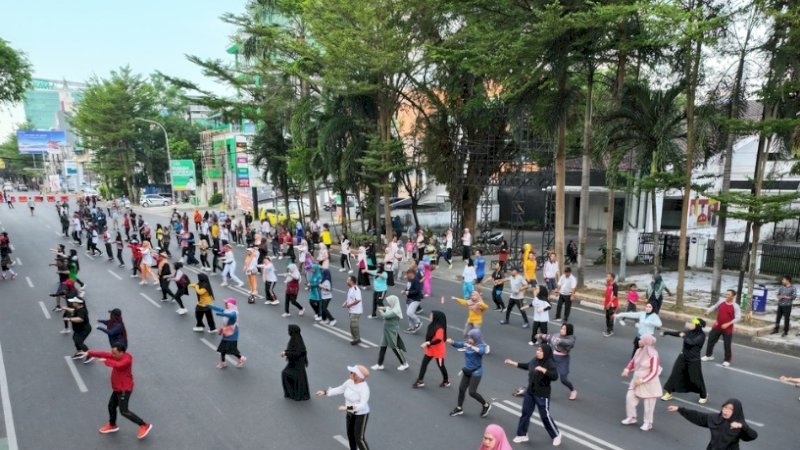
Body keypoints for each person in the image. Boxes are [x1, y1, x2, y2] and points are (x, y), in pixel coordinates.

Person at [83, 343, 153, 440]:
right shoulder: (117, 355)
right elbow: (105, 354)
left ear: (121, 352)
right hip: (117, 388)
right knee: (111, 406)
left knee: (124, 411)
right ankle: (112, 425)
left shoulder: (127, 359)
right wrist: (89, 353)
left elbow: (119, 365)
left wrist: (106, 361)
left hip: (124, 389)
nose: (113, 355)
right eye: (112, 353)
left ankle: (144, 425)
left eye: (115, 353)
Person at [504, 345, 562, 446]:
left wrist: (543, 370)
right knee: (525, 413)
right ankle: (522, 435)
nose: (538, 352)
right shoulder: (534, 360)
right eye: (537, 350)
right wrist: (512, 363)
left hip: (542, 394)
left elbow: (555, 376)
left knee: (545, 416)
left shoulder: (549, 363)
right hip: (530, 392)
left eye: (540, 350)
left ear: (546, 352)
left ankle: (557, 435)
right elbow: (527, 366)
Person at [315, 365, 371, 450]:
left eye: (352, 372)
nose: (350, 373)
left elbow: (362, 405)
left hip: (361, 414)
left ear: (359, 376)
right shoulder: (349, 382)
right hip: (350, 413)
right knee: (350, 435)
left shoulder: (364, 388)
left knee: (359, 438)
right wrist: (325, 392)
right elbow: (340, 389)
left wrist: (347, 408)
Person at [666, 399, 758, 449]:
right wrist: (679, 409)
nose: (726, 410)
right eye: (725, 407)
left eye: (731, 409)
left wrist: (742, 427)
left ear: (736, 411)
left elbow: (752, 436)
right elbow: (698, 416)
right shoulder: (715, 419)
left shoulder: (739, 424)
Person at [620, 334, 662, 431]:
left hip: (649, 383)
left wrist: (643, 380)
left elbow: (654, 371)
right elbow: (633, 361)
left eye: (641, 340)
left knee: (649, 405)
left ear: (646, 342)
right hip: (636, 379)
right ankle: (632, 417)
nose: (639, 341)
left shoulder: (653, 355)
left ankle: (648, 423)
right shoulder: (639, 351)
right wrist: (627, 369)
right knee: (630, 397)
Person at [661, 318, 708, 404]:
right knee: (674, 374)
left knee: (696, 379)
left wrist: (683, 336)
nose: (689, 325)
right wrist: (666, 332)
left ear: (697, 325)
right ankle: (668, 393)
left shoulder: (701, 336)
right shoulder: (688, 332)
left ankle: (703, 395)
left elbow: (691, 342)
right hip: (682, 357)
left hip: (694, 360)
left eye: (692, 323)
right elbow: (678, 333)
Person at [447, 328, 491, 418]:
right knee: (461, 389)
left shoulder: (481, 345)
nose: (469, 339)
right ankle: (459, 408)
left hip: (476, 372)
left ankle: (486, 405)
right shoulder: (468, 343)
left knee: (472, 392)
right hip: (467, 370)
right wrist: (452, 342)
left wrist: (471, 346)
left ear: (476, 338)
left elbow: (481, 351)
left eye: (471, 338)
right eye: (469, 337)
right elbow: (459, 344)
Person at [536, 323, 577, 400]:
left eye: (564, 329)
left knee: (564, 379)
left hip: (563, 359)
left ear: (568, 330)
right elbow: (549, 337)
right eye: (561, 328)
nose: (562, 330)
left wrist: (556, 339)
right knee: (545, 374)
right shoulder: (557, 335)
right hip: (553, 357)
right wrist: (540, 335)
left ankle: (573, 391)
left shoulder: (571, 338)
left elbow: (567, 343)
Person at [702, 289, 741, 367]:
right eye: (726, 294)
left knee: (727, 344)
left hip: (728, 328)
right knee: (710, 340)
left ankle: (727, 360)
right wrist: (708, 311)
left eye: (728, 295)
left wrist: (728, 324)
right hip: (717, 326)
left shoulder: (735, 306)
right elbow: (714, 306)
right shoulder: (721, 301)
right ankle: (709, 355)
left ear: (733, 296)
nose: (726, 296)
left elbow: (738, 318)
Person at [371, 295, 409, 371]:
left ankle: (404, 363)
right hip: (386, 330)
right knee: (383, 346)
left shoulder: (395, 311)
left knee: (395, 347)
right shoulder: (391, 307)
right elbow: (386, 308)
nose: (388, 304)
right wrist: (382, 308)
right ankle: (379, 364)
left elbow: (385, 316)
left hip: (392, 331)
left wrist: (380, 310)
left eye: (389, 302)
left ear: (393, 302)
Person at [414, 310, 449, 388]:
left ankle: (446, 381)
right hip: (431, 349)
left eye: (431, 315)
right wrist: (428, 344)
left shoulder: (440, 328)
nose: (429, 317)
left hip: (439, 351)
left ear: (436, 317)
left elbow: (439, 339)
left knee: (441, 366)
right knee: (424, 363)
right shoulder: (432, 325)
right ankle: (420, 381)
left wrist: (427, 343)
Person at [210, 298, 246, 368]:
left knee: (232, 349)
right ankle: (223, 363)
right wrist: (209, 306)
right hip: (226, 331)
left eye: (227, 303)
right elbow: (219, 309)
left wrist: (222, 314)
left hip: (232, 333)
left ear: (231, 305)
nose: (225, 304)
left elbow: (232, 316)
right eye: (225, 303)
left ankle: (241, 358)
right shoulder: (227, 310)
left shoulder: (234, 312)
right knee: (222, 348)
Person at [281, 325, 310, 401]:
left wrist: (286, 353)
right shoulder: (295, 338)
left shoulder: (297, 340)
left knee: (285, 373)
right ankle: (291, 393)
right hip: (294, 363)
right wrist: (286, 352)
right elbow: (293, 350)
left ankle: (293, 393)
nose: (288, 332)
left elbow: (297, 353)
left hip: (297, 365)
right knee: (285, 374)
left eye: (289, 330)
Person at [64, 298, 93, 363]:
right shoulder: (78, 308)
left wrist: (69, 319)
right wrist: (65, 308)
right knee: (75, 339)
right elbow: (73, 310)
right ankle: (80, 352)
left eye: (74, 302)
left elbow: (80, 319)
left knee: (79, 341)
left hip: (84, 330)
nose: (72, 303)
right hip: (79, 329)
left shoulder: (82, 311)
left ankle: (90, 355)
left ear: (78, 303)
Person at [344, 275, 363, 345]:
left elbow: (358, 300)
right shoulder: (350, 288)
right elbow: (350, 298)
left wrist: (349, 305)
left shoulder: (356, 289)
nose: (347, 281)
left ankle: (357, 339)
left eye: (348, 280)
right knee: (352, 326)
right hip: (351, 310)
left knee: (354, 326)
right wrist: (345, 303)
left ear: (351, 281)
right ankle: (355, 338)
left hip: (356, 311)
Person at [403, 269, 423, 333]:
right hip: (409, 299)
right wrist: (405, 291)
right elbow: (408, 288)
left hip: (415, 299)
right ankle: (411, 327)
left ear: (411, 273)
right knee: (408, 314)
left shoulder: (416, 280)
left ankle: (418, 322)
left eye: (407, 274)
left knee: (409, 312)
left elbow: (417, 290)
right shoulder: (409, 280)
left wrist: (408, 292)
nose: (407, 275)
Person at [603, 272, 619, 337]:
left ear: (612, 278)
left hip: (612, 304)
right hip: (607, 303)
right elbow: (607, 295)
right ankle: (608, 329)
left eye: (608, 276)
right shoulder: (608, 284)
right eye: (606, 276)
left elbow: (615, 295)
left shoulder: (615, 285)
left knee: (610, 317)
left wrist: (609, 303)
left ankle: (610, 331)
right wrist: (605, 304)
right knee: (607, 317)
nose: (607, 278)